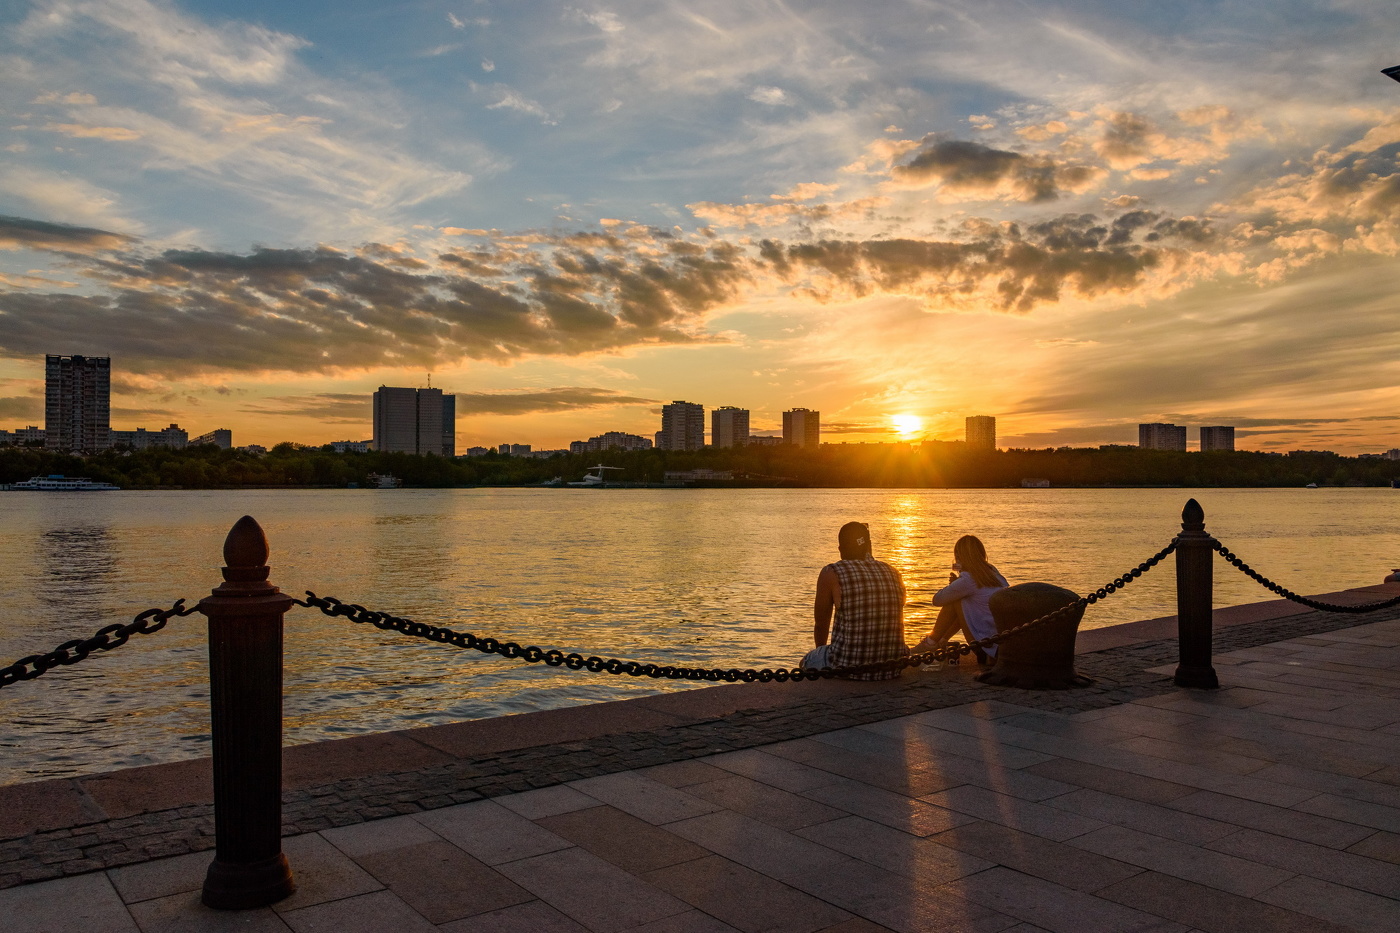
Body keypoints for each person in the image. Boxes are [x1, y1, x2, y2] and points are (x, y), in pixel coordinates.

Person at [802, 521, 909, 680]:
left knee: (807, 661)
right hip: (892, 666)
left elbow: (821, 625)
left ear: (840, 549)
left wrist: (822, 655)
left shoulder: (831, 572)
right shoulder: (893, 572)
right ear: (869, 546)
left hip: (848, 666)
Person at [913, 535, 1008, 666]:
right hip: (1000, 643)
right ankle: (942, 641)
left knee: (956, 601)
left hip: (986, 647)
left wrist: (954, 586)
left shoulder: (969, 580)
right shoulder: (993, 572)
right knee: (963, 600)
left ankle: (931, 642)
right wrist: (957, 585)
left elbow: (937, 600)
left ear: (959, 556)